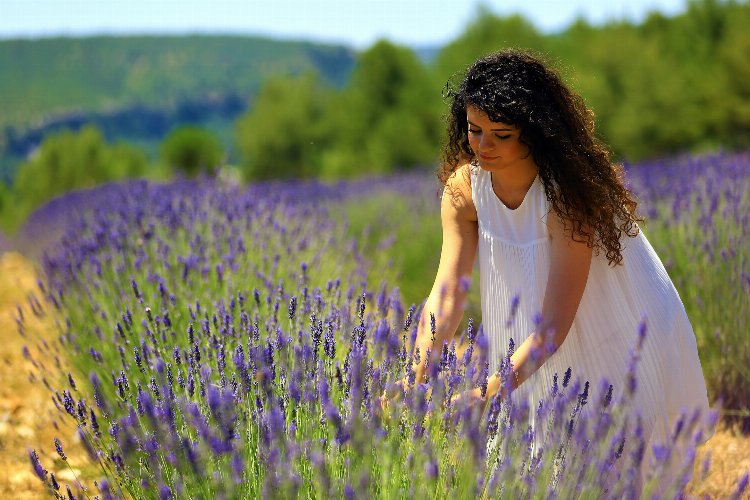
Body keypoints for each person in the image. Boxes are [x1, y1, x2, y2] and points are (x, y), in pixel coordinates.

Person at [381, 49, 710, 491]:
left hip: (614, 326)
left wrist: (485, 395)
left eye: (501, 134)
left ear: (535, 133)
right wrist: (417, 372)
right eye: (474, 130)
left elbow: (554, 327)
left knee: (612, 469)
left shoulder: (565, 198)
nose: (482, 146)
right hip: (530, 339)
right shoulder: (464, 190)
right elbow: (447, 292)